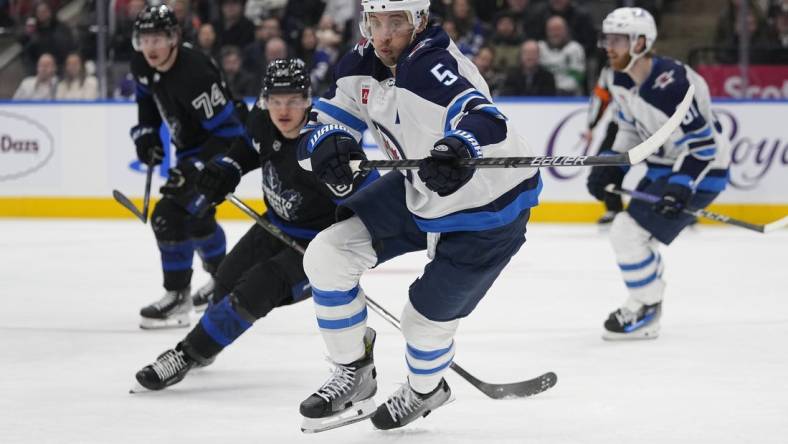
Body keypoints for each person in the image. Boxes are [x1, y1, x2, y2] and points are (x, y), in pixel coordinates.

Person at [295, 0, 542, 432]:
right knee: (326, 256)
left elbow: (487, 119)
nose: (384, 35)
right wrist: (326, 143)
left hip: (487, 207)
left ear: (420, 22)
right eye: (376, 22)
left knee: (421, 323)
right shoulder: (360, 62)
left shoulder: (431, 64)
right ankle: (354, 371)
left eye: (397, 22)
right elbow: (319, 127)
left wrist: (459, 147)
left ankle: (427, 390)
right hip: (421, 187)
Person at [133, 59, 378, 390]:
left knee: (258, 287)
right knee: (225, 281)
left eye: (293, 100)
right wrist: (225, 169)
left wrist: (346, 231)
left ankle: (186, 354)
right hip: (275, 225)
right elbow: (244, 151)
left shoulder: (327, 142)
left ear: (308, 100)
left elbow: (368, 201)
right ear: (265, 101)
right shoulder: (262, 121)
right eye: (276, 100)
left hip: (318, 247)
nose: (283, 109)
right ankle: (206, 347)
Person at [587, 7, 731, 340]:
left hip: (704, 170)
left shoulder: (673, 83)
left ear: (641, 42)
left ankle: (646, 306)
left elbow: (704, 147)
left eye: (618, 39)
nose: (609, 46)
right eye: (606, 38)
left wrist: (681, 186)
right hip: (665, 167)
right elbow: (628, 128)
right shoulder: (616, 76)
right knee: (630, 235)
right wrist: (612, 164)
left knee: (626, 232)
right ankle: (647, 298)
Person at [129, 5, 247, 329]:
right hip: (190, 149)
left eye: (158, 38)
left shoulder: (194, 73)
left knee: (168, 216)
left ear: (174, 38)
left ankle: (178, 298)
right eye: (145, 39)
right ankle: (224, 283)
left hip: (220, 148)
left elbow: (231, 133)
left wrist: (196, 166)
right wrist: (147, 135)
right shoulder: (141, 62)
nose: (151, 47)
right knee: (197, 219)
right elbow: (146, 102)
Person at [584, 64, 622, 225]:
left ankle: (677, 203)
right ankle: (614, 208)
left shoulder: (651, 68)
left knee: (662, 164)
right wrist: (591, 126)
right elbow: (601, 98)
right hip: (621, 126)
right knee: (602, 172)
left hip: (651, 126)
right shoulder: (609, 71)